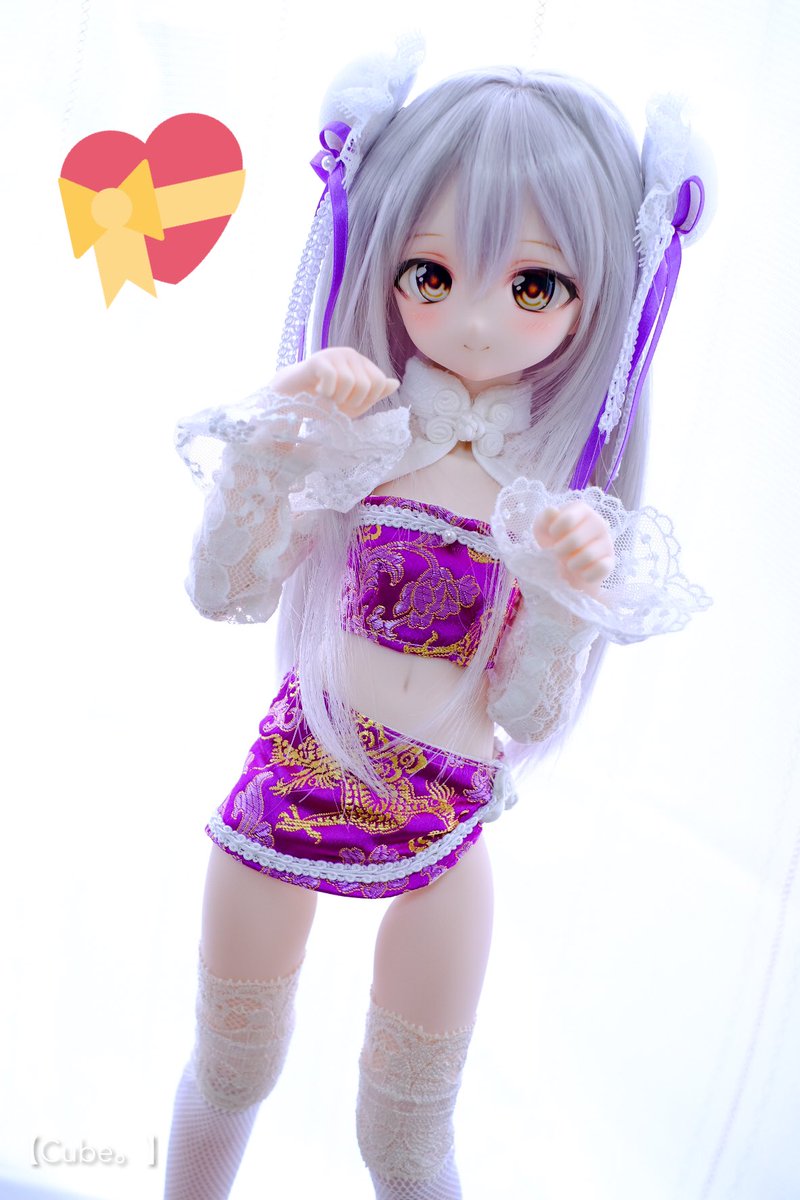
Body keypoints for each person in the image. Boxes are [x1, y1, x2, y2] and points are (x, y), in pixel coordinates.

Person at [164, 41, 710, 1200]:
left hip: (445, 818)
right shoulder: (357, 439)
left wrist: (562, 594)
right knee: (230, 1067)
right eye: (429, 272)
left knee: (405, 1134)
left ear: (599, 298)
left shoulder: (550, 502)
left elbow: (526, 711)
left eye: (531, 286)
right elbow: (224, 593)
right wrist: (275, 442)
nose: (471, 320)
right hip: (295, 772)